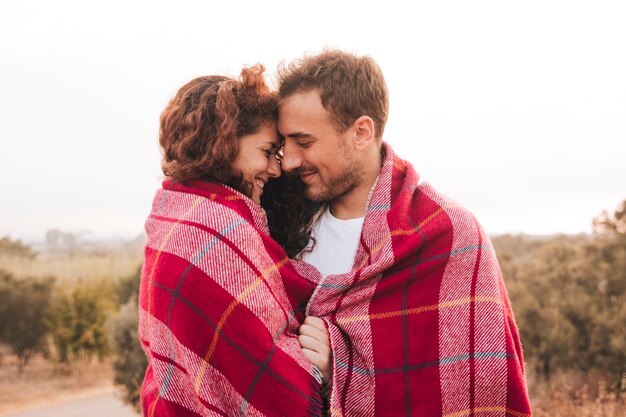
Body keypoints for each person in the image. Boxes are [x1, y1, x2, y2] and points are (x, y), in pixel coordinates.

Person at [276, 50, 533, 416]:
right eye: (286, 145)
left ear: (361, 133)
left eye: (305, 143)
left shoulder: (450, 234)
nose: (290, 162)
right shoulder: (280, 226)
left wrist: (342, 370)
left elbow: (474, 387)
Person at [138, 64, 331, 417]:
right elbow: (267, 379)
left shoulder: (171, 215)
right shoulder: (217, 230)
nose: (275, 170)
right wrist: (323, 369)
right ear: (225, 142)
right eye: (267, 151)